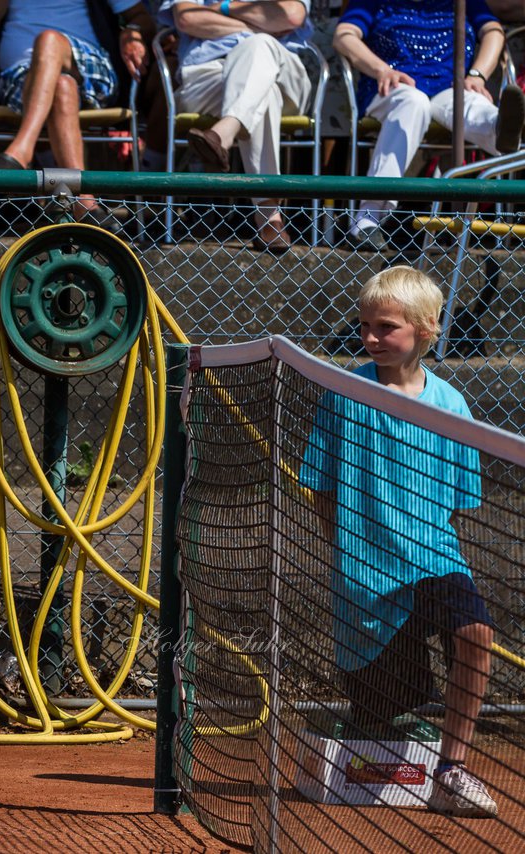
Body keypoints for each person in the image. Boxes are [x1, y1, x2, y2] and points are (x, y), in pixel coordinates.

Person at [301, 265, 499, 819]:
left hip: (435, 560)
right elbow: (319, 487)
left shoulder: (452, 404)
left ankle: (452, 770)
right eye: (364, 325)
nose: (369, 337)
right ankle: (384, 707)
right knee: (381, 711)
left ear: (427, 329)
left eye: (385, 327)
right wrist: (346, 555)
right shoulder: (344, 392)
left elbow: (461, 500)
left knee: (476, 633)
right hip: (363, 578)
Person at [334, 0, 525, 250]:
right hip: (395, 86)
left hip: (451, 87)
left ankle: (501, 129)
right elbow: (344, 35)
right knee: (414, 103)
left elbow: (492, 31)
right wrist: (381, 69)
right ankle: (367, 219)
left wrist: (477, 75)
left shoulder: (462, 1)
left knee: (472, 105)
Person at [0, 0, 157, 221]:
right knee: (62, 86)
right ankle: (83, 202)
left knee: (49, 40)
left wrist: (132, 32)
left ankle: (21, 151)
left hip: (91, 67)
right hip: (20, 78)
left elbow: (142, 18)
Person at [158, 0, 313, 252]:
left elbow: (292, 16)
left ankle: (224, 131)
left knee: (259, 47)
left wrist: (223, 8)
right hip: (208, 75)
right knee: (264, 91)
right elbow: (187, 18)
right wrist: (258, 24)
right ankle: (269, 217)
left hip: (281, 68)